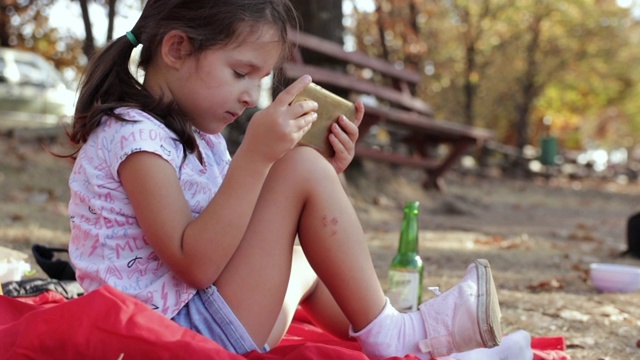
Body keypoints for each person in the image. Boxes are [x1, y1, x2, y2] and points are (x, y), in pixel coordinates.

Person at [65, 0, 503, 359]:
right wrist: (262, 160)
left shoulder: (198, 134)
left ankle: (404, 336)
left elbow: (234, 226)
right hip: (173, 336)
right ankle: (394, 336)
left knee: (309, 251)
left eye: (260, 80)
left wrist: (317, 186)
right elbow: (195, 263)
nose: (251, 96)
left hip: (205, 317)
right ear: (177, 49)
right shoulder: (134, 139)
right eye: (241, 73)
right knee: (299, 169)